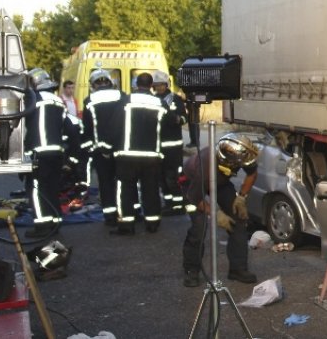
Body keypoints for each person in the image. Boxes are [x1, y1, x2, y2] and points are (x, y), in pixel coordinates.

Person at [181, 133, 259, 287]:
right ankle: (192, 270)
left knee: (239, 218)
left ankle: (238, 269)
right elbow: (196, 199)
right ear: (228, 160)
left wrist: (241, 197)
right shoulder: (204, 166)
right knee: (199, 226)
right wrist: (216, 214)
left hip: (220, 182)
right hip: (192, 186)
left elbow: (252, 173)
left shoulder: (241, 154)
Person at [24, 68, 80, 238]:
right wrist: (72, 158)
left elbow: (22, 127)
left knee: (35, 189)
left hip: (38, 153)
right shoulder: (58, 101)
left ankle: (42, 225)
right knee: (52, 188)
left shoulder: (32, 100)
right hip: (57, 153)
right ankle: (55, 222)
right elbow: (71, 129)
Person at [111, 73, 166, 235]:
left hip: (128, 154)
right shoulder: (159, 102)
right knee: (151, 188)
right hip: (151, 155)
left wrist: (110, 148)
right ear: (151, 85)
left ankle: (126, 225)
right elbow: (169, 123)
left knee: (126, 189)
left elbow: (115, 125)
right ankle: (153, 222)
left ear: (136, 84)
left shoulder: (126, 101)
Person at [81, 69, 127, 227]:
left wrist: (87, 148)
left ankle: (110, 216)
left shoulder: (89, 100)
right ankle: (127, 213)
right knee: (123, 182)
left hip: (100, 149)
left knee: (106, 183)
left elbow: (87, 127)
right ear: (109, 81)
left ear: (93, 85)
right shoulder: (122, 95)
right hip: (121, 146)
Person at [152, 70, 188, 215]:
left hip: (173, 145)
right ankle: (168, 203)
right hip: (159, 145)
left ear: (166, 84)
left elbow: (184, 118)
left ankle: (178, 205)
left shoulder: (175, 99)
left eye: (161, 85)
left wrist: (176, 119)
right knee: (161, 177)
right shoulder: (153, 100)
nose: (159, 88)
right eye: (156, 85)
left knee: (172, 177)